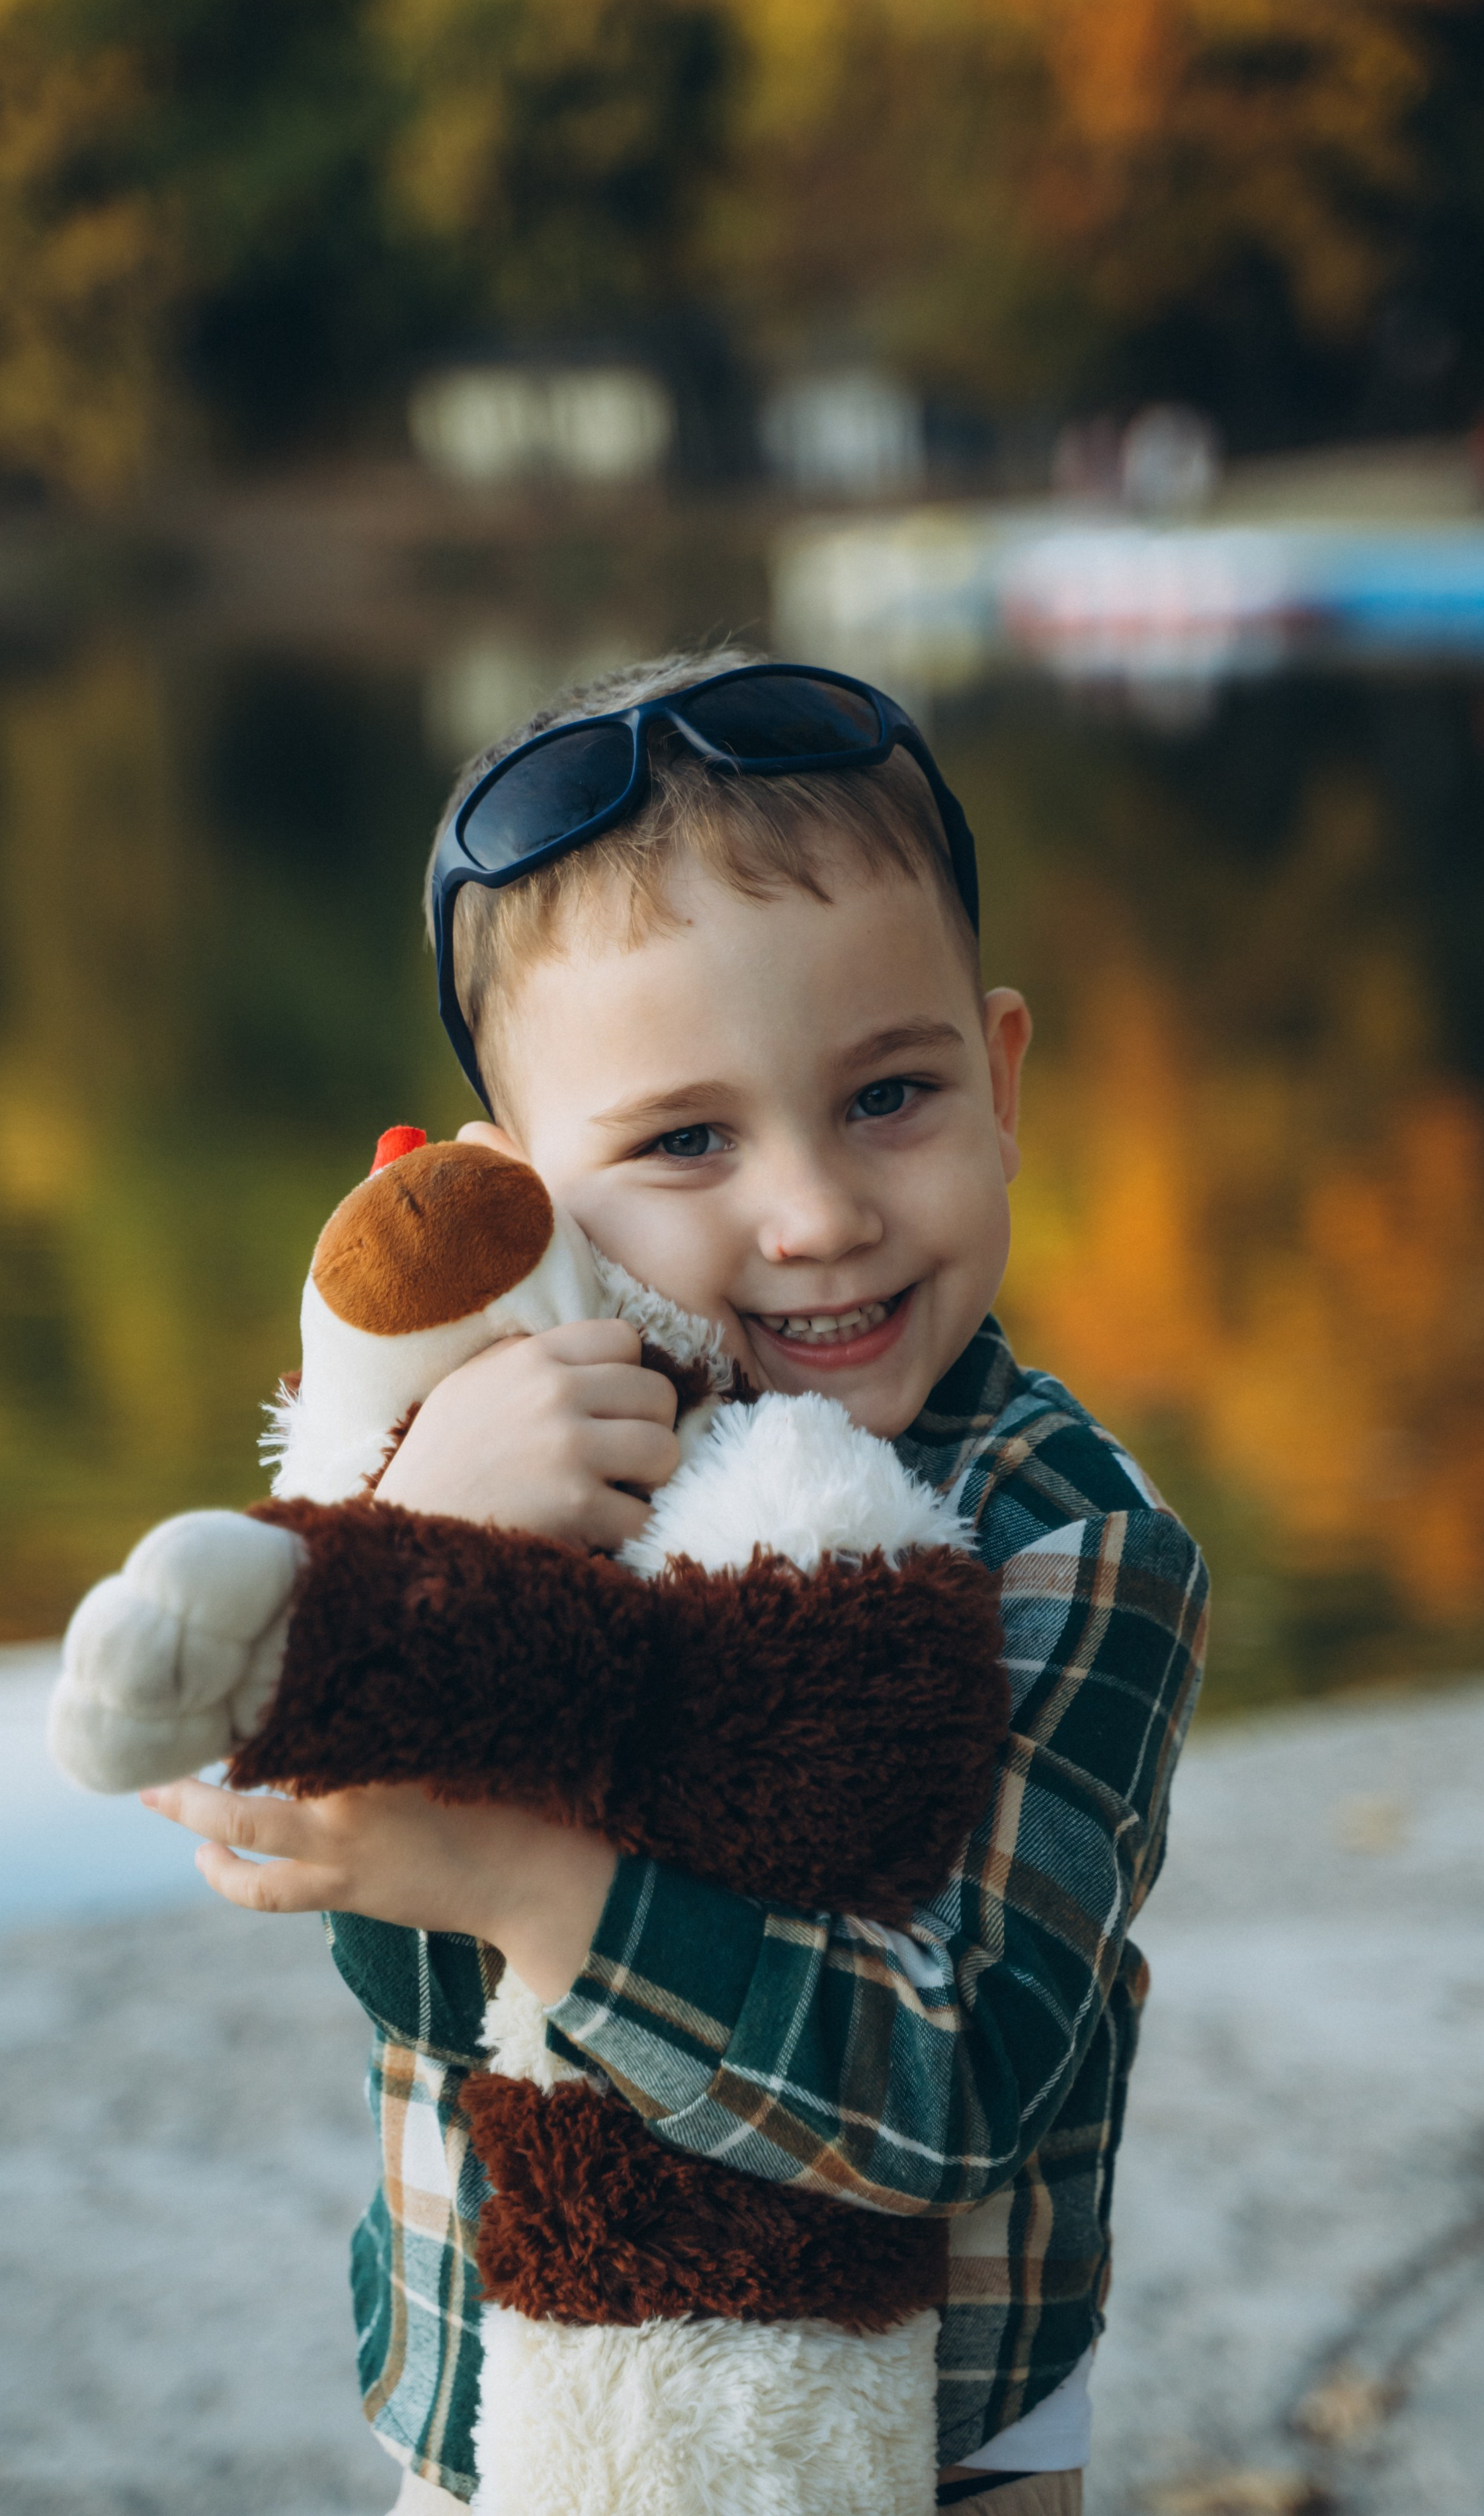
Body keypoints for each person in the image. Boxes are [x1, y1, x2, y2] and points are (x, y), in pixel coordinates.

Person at [144, 650, 1208, 2515]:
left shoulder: (1071, 1540)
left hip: (930, 2456)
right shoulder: (475, 1461)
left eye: (889, 1094)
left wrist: (527, 1885)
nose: (813, 1213)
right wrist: (424, 1561)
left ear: (1002, 1073)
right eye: (686, 1141)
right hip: (497, 2425)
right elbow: (364, 1931)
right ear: (519, 1197)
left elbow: (942, 2100)